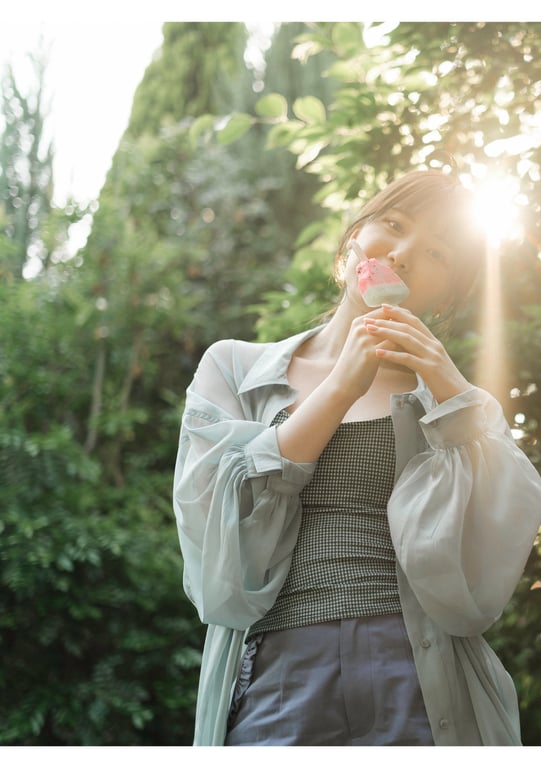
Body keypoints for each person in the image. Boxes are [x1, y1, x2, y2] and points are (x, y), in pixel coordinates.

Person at [172, 169, 541, 746]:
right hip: (278, 676)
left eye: (437, 253)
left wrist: (452, 391)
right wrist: (340, 386)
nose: (403, 254)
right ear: (352, 242)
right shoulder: (234, 369)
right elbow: (213, 542)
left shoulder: (451, 405)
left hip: (421, 678)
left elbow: (490, 568)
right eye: (392, 226)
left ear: (446, 295)